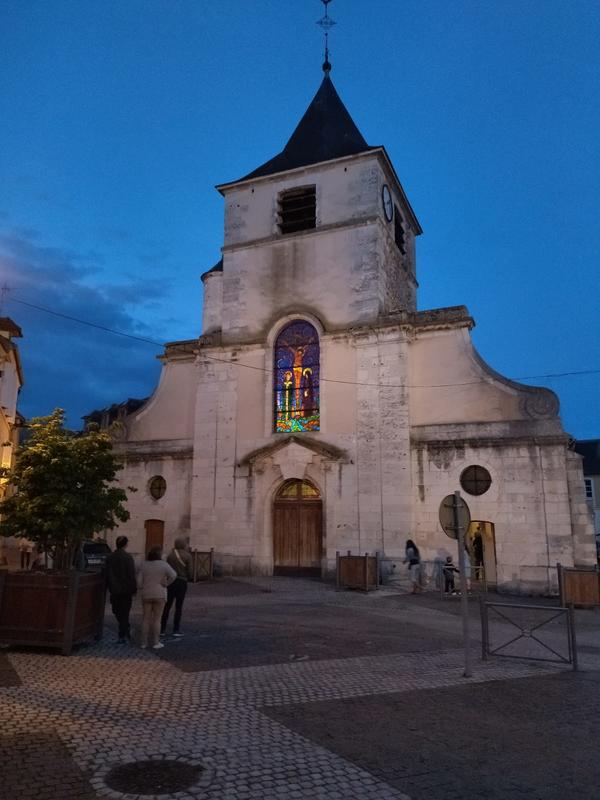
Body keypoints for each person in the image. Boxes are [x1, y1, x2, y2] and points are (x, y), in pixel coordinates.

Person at [138, 546, 176, 650]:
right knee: (157, 619)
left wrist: (143, 587)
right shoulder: (163, 565)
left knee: (145, 619)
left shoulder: (144, 565)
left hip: (146, 593)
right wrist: (166, 583)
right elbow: (174, 575)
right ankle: (156, 642)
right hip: (160, 593)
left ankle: (143, 642)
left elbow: (139, 582)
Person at [105, 536, 137, 644]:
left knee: (117, 611)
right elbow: (131, 574)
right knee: (124, 612)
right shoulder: (128, 558)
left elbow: (105, 572)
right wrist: (133, 588)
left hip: (115, 589)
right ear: (125, 544)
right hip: (125, 589)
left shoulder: (110, 557)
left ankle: (123, 633)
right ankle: (124, 631)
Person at [161, 537, 194, 638]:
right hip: (182, 581)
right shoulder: (187, 556)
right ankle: (176, 629)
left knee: (167, 606)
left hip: (171, 581)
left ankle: (162, 629)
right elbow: (190, 571)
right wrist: (190, 577)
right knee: (179, 606)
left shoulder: (170, 555)